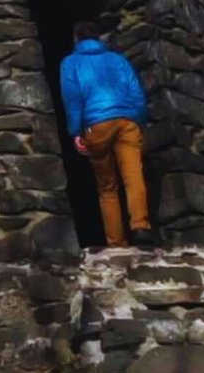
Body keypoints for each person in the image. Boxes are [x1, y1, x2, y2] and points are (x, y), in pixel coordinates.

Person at [59, 21, 159, 249]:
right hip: (127, 120)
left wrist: (76, 131)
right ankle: (141, 227)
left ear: (77, 38)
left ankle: (117, 241)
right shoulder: (118, 60)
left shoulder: (71, 63)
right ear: (98, 38)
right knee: (134, 177)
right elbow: (136, 92)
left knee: (107, 187)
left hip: (97, 123)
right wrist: (138, 120)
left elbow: (72, 97)